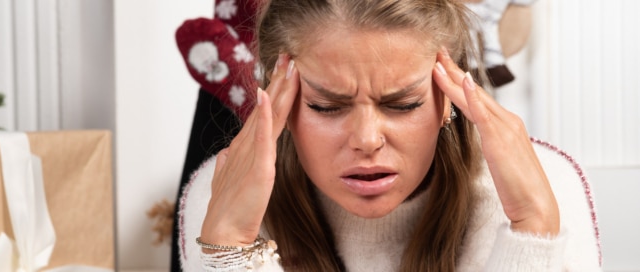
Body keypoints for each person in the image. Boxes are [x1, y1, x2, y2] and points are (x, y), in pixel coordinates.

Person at [178, 0, 601, 271]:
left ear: (447, 94)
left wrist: (533, 230)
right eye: (327, 106)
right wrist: (229, 249)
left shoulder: (549, 186)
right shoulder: (220, 197)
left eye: (402, 104)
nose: (367, 139)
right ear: (281, 100)